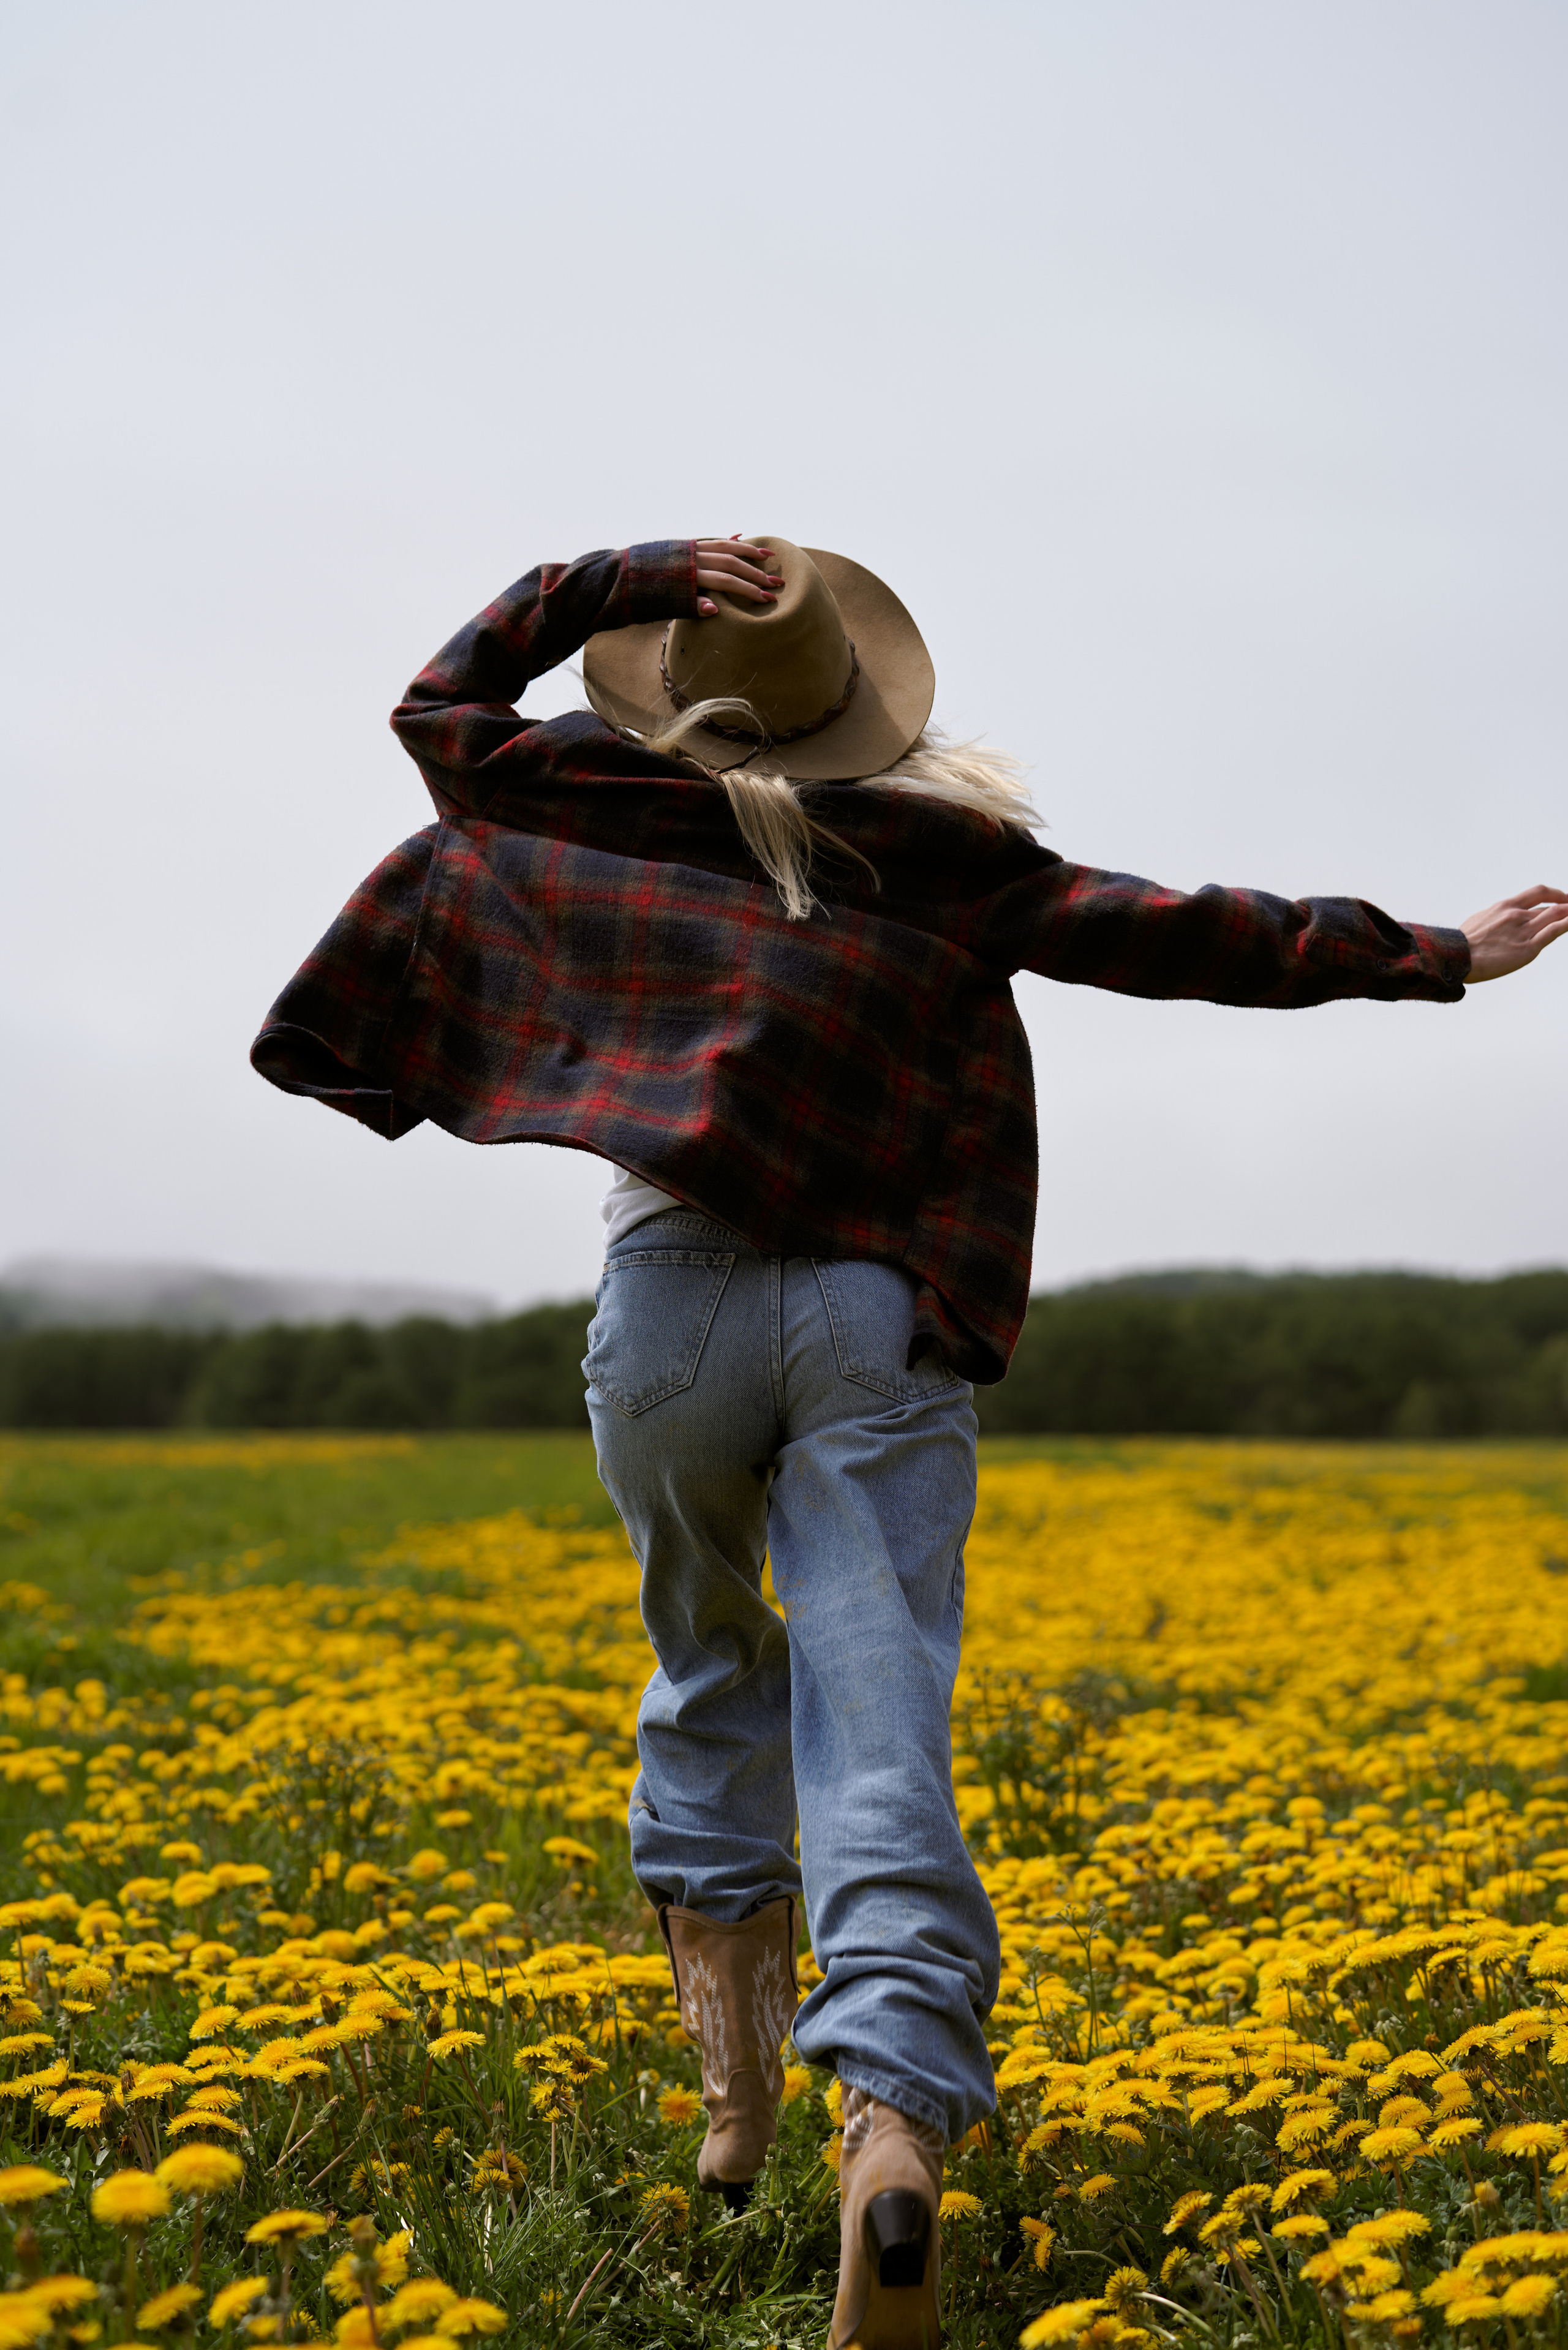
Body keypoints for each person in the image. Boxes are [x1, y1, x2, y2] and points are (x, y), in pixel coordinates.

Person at [252, 533, 1567, 2349]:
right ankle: (890, 2128)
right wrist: (1436, 954)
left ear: (674, 699)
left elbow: (436, 707)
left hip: (666, 1316)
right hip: (873, 1321)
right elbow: (1183, 933)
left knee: (707, 1661)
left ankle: (735, 2114)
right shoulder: (946, 859)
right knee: (876, 1719)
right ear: (862, 723)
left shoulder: (602, 802)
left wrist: (607, 577)